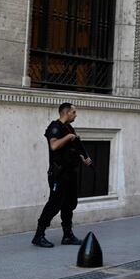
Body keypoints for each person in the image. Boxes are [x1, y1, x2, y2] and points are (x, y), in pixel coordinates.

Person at [32, 103, 92, 248]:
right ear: (66, 113)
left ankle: (68, 235)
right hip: (58, 174)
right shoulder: (55, 127)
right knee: (54, 204)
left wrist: (83, 158)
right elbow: (54, 145)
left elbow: (72, 149)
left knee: (69, 205)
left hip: (70, 173)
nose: (76, 115)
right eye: (74, 112)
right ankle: (38, 236)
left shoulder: (69, 128)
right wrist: (69, 137)